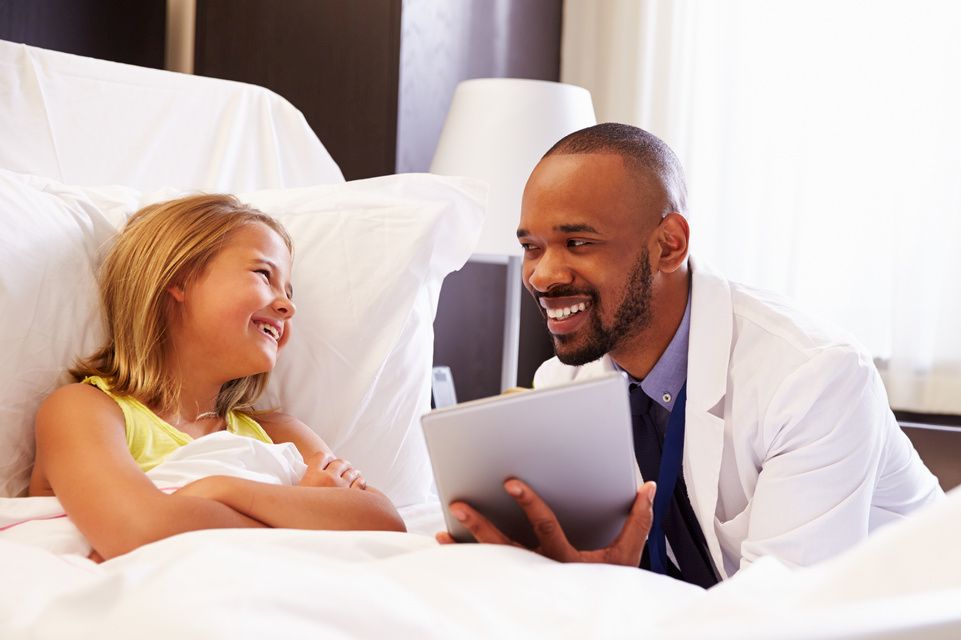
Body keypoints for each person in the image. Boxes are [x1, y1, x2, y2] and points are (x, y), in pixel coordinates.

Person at [438, 123, 943, 585]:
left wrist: (607, 594)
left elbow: (783, 615)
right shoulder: (561, 386)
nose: (543, 276)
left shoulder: (814, 376)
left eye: (577, 242)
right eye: (532, 247)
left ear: (669, 245)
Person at [28, 195, 405, 561]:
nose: (288, 306)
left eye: (288, 291)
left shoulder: (278, 432)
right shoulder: (84, 410)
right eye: (263, 274)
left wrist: (222, 488)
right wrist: (305, 514)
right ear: (178, 279)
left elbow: (384, 521)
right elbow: (138, 532)